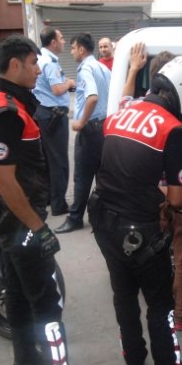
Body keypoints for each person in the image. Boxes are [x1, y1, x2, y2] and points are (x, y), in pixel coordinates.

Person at [0, 35, 98, 365]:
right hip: (21, 217)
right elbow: (6, 181)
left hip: (9, 217)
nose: (39, 70)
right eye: (33, 63)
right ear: (15, 65)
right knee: (47, 302)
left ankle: (25, 358)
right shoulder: (7, 113)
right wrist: (39, 228)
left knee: (16, 291)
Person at [88, 56, 182, 365]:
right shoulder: (172, 129)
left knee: (123, 295)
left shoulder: (123, 112)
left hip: (103, 220)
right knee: (161, 306)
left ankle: (133, 358)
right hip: (141, 231)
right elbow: (176, 197)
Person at [121, 43, 182, 331]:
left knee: (153, 254)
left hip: (150, 196)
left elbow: (123, 100)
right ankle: (181, 316)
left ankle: (160, 308)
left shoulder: (136, 109)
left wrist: (133, 68)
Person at [55, 33, 111, 234]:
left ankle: (75, 218)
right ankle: (101, 217)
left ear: (81, 49)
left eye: (72, 48)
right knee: (102, 176)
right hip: (103, 127)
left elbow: (92, 97)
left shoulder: (86, 68)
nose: (71, 52)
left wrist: (81, 121)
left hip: (90, 130)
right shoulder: (102, 67)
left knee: (82, 177)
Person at [33, 27, 76, 217]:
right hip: (53, 115)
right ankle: (59, 204)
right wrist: (69, 83)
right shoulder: (49, 63)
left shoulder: (40, 59)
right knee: (59, 161)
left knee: (49, 160)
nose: (64, 41)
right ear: (53, 42)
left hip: (44, 113)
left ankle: (50, 198)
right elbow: (58, 89)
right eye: (62, 38)